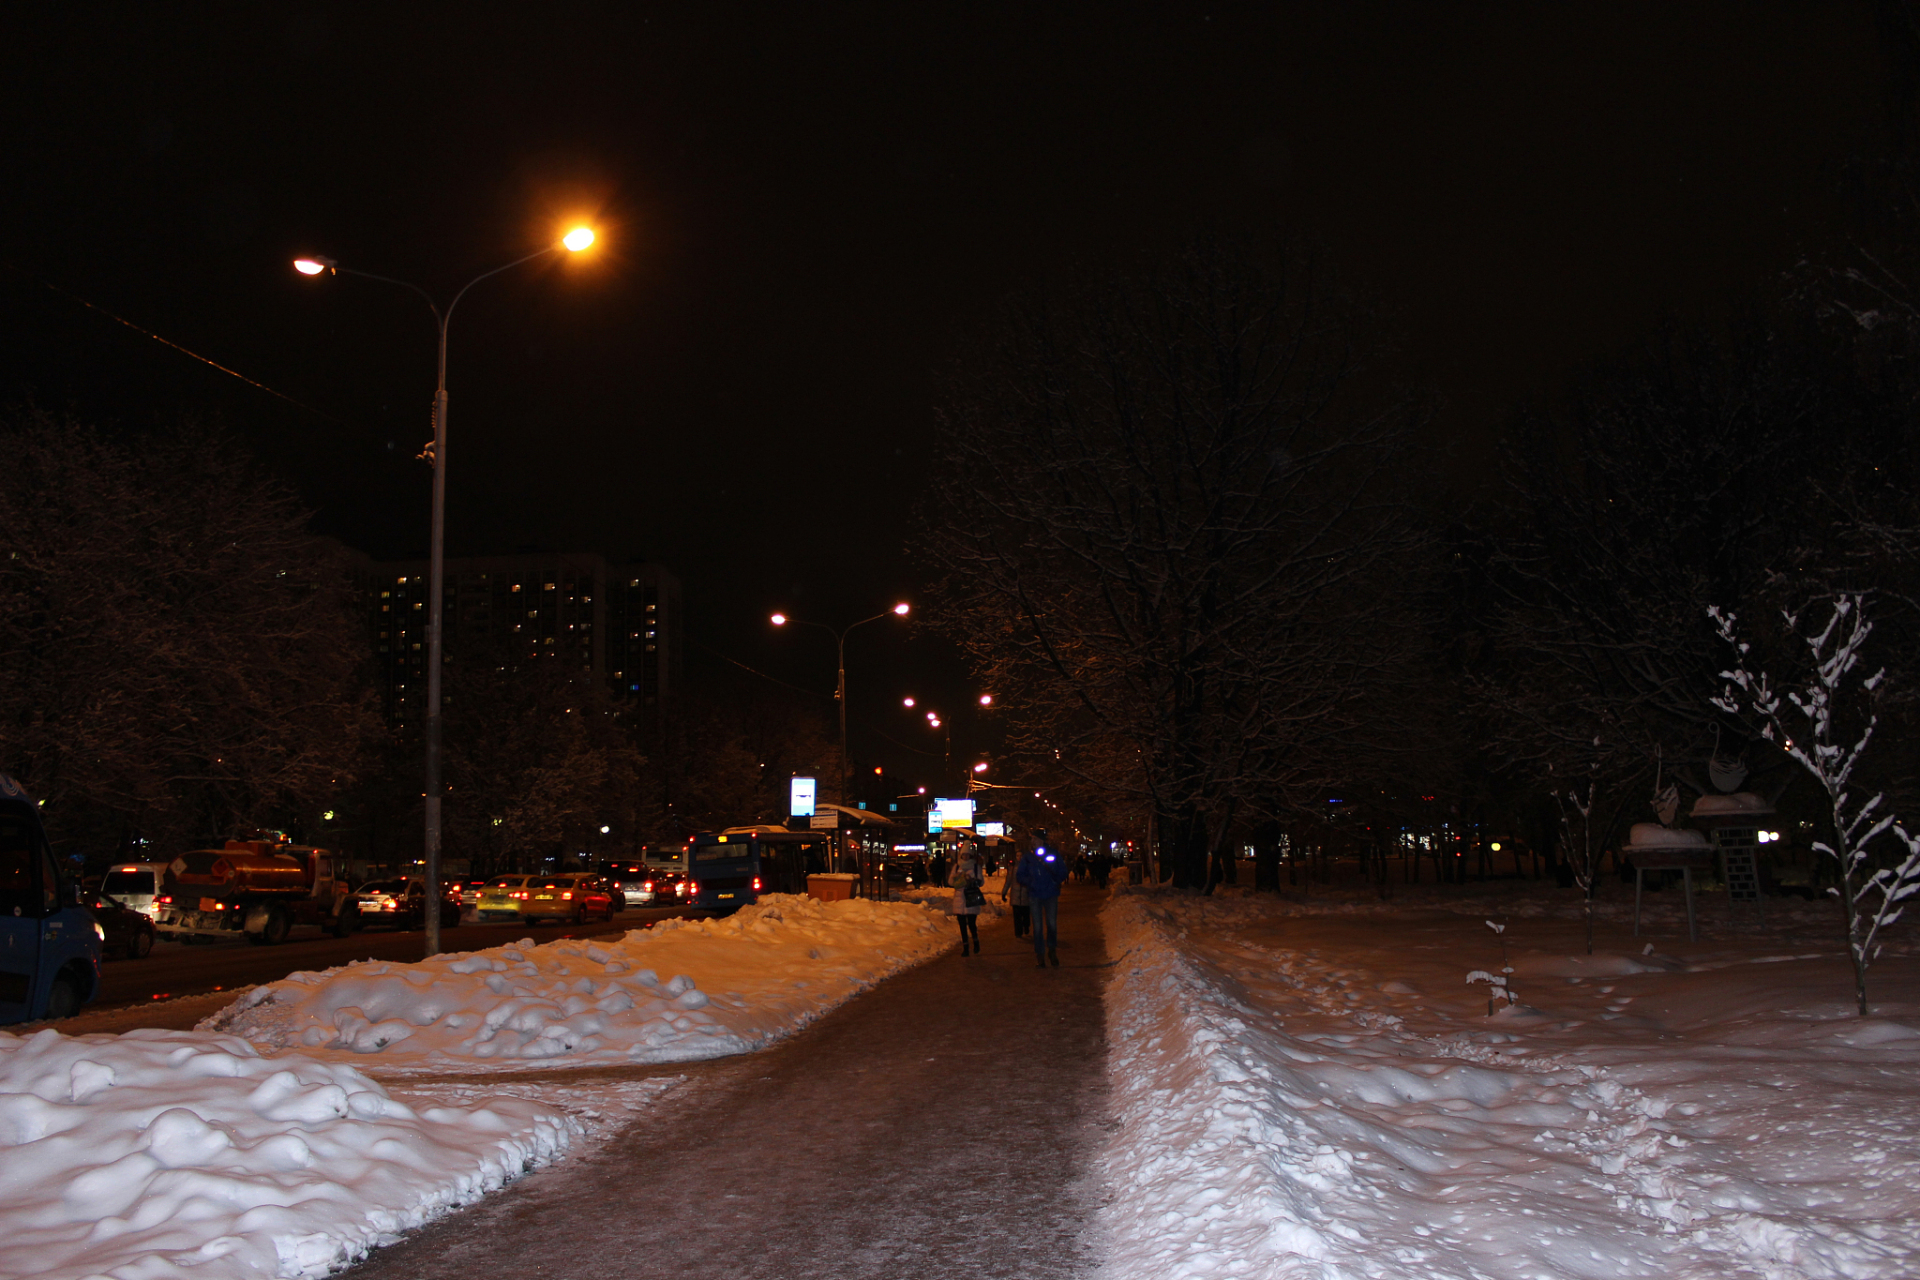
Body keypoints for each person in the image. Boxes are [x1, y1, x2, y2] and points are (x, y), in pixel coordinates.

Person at [1016, 830, 1070, 968]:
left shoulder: (1053, 853)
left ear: (1041, 840)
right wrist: (1030, 881)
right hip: (1035, 895)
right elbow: (1020, 875)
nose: (1033, 841)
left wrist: (1055, 881)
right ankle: (1040, 955)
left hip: (1051, 894)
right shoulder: (1028, 857)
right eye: (1032, 839)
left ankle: (1052, 951)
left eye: (1035, 838)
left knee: (1051, 924)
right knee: (1038, 927)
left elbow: (1063, 870)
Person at [949, 840, 984, 956]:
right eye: (964, 854)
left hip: (971, 898)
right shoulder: (957, 866)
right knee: (962, 925)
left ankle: (976, 942)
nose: (965, 856)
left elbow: (981, 882)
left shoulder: (975, 867)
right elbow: (950, 881)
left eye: (967, 854)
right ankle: (965, 948)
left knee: (972, 924)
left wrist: (971, 880)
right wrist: (957, 878)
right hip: (959, 899)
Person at [1002, 843, 1031, 938]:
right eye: (1017, 856)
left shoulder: (1028, 867)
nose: (1019, 857)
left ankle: (1026, 926)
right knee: (1017, 916)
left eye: (1021, 855)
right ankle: (1018, 932)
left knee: (1026, 915)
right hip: (1015, 896)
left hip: (1026, 896)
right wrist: (1004, 892)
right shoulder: (1013, 868)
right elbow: (1008, 881)